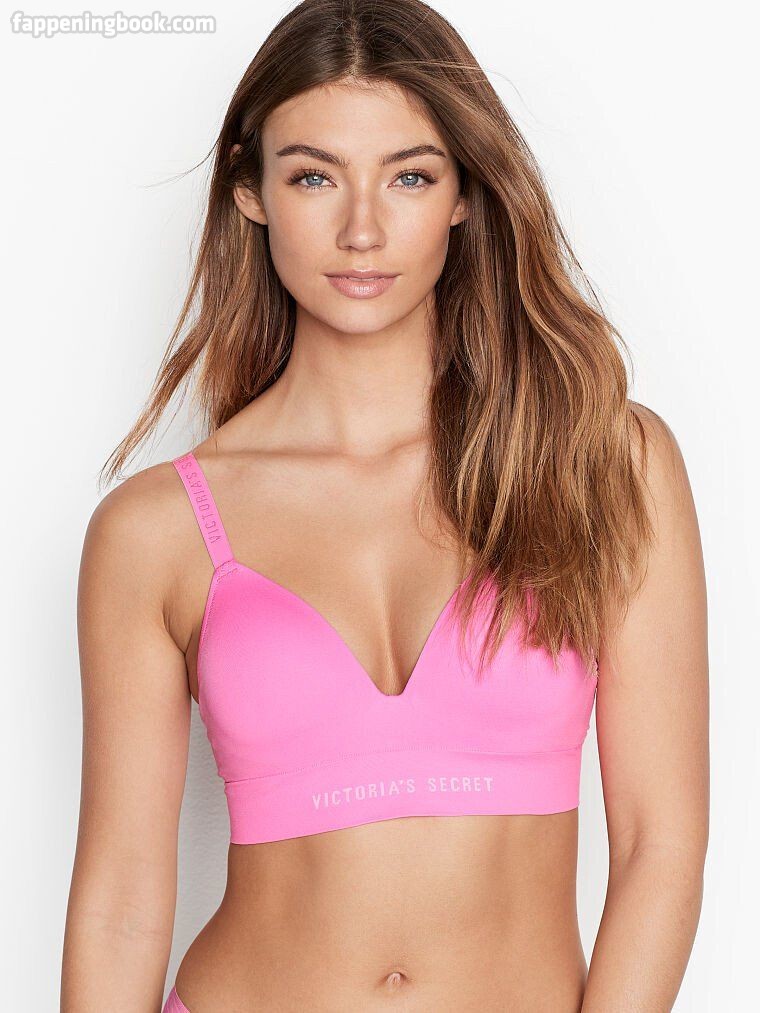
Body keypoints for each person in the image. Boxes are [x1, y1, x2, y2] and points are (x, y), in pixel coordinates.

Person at [60, 1, 709, 1009]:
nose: (362, 229)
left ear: (463, 194)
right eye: (314, 176)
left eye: (409, 176)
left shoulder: (601, 462)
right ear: (250, 189)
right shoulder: (156, 531)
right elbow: (120, 906)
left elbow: (659, 844)